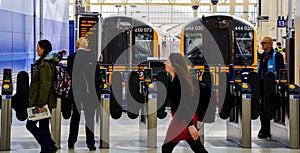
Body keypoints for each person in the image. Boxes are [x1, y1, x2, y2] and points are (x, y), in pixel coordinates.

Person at [162, 53, 208, 153]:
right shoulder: (175, 79)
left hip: (183, 119)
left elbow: (183, 104)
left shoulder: (178, 81)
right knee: (196, 146)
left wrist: (190, 125)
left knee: (166, 147)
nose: (165, 63)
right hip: (184, 118)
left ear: (174, 65)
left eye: (168, 61)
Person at [26, 39, 59, 153]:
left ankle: (50, 145)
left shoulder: (45, 64)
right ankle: (46, 149)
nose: (36, 49)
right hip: (44, 100)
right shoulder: (44, 62)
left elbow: (45, 85)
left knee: (30, 125)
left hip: (42, 101)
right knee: (44, 126)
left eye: (38, 47)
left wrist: (41, 104)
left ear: (43, 49)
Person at [66, 37, 98, 151]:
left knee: (75, 115)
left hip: (76, 91)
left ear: (76, 47)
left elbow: (69, 75)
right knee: (89, 117)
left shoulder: (71, 58)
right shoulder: (92, 57)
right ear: (86, 47)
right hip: (89, 92)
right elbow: (97, 76)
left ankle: (71, 141)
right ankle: (91, 143)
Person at [257, 36, 285, 139]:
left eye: (264, 43)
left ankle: (268, 129)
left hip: (272, 86)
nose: (262, 45)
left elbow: (280, 70)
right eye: (262, 43)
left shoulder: (277, 56)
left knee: (270, 107)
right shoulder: (261, 56)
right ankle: (263, 129)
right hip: (262, 85)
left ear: (270, 44)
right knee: (262, 108)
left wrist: (278, 80)